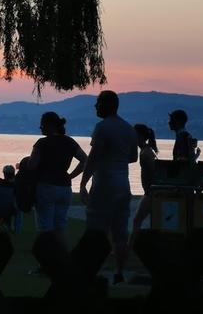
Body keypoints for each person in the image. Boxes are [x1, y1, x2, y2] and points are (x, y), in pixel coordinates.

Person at [79, 90, 138, 285]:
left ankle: (92, 270)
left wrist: (83, 183)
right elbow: (132, 158)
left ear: (108, 105)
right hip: (123, 185)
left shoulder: (102, 128)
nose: (95, 106)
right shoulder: (129, 129)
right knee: (120, 232)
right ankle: (120, 271)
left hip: (104, 184)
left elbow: (93, 158)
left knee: (96, 229)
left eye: (98, 103)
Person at [29, 112, 87, 239]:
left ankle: (46, 251)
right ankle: (60, 252)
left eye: (42, 125)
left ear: (49, 125)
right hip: (65, 189)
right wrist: (70, 176)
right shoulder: (70, 142)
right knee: (60, 225)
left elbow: (32, 165)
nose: (41, 128)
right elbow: (85, 160)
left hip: (46, 187)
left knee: (45, 225)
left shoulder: (42, 143)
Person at [131, 124, 158, 238]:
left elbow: (154, 172)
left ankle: (130, 246)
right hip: (149, 191)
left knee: (137, 220)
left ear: (140, 136)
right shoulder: (145, 151)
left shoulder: (146, 153)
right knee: (151, 221)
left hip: (150, 192)